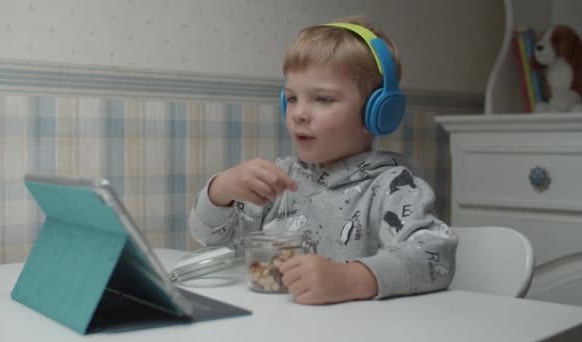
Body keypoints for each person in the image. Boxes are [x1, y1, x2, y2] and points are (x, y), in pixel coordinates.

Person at [188, 15, 457, 305]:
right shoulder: (281, 178)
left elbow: (434, 256)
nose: (299, 113)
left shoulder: (393, 186)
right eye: (292, 98)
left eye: (323, 99)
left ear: (377, 112)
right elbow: (216, 242)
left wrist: (353, 278)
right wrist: (221, 191)